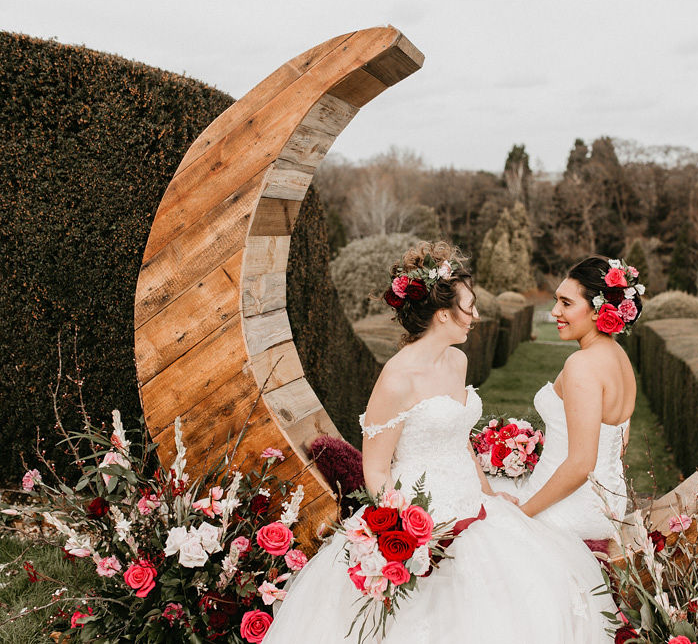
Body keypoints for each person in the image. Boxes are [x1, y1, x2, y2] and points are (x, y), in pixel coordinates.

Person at [262, 242, 613, 643]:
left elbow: (459, 438)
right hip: (418, 514)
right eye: (470, 307)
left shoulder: (457, 361)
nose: (477, 316)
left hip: (473, 505)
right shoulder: (397, 378)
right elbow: (375, 468)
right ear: (444, 314)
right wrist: (399, 528)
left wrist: (488, 494)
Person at [490, 256, 643, 540]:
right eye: (557, 301)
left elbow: (581, 464)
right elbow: (619, 443)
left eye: (566, 303)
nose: (555, 311)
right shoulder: (620, 358)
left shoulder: (582, 364)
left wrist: (521, 514)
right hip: (608, 504)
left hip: (569, 509)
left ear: (600, 310)